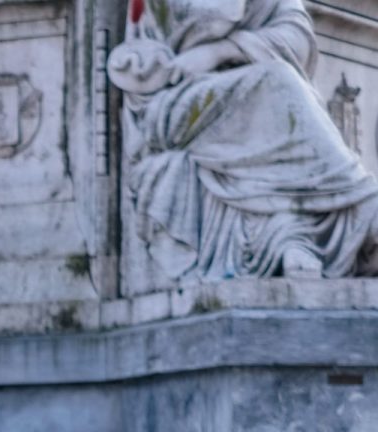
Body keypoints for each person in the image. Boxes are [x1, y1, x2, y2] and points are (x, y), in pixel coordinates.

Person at [113, 0, 378, 278]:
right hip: (177, 102)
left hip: (256, 90)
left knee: (280, 88)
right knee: (279, 82)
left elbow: (298, 39)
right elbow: (139, 61)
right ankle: (362, 206)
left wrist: (221, 51)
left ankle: (290, 235)